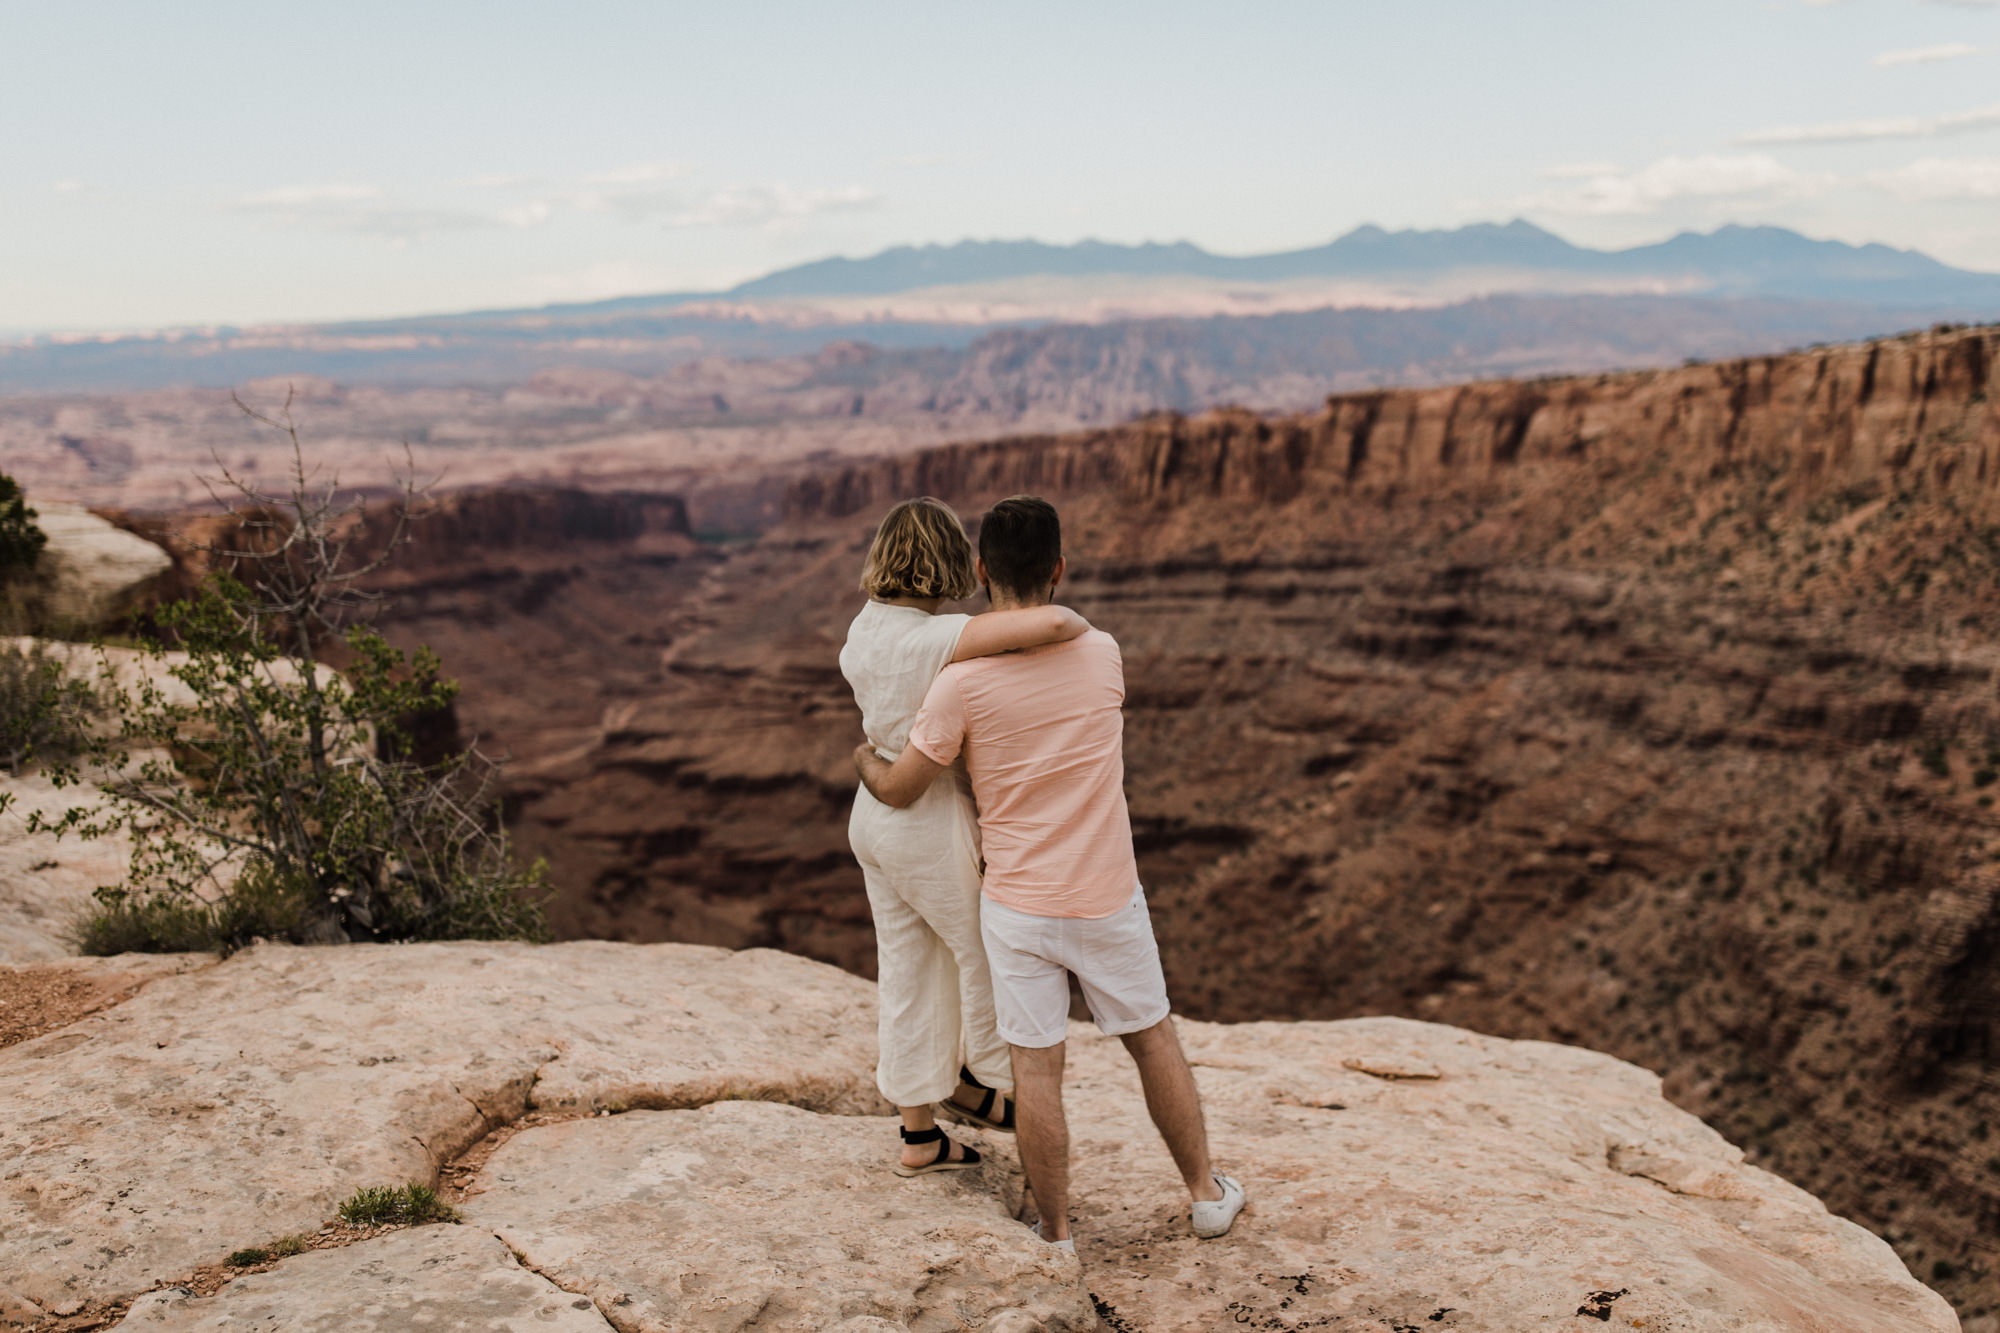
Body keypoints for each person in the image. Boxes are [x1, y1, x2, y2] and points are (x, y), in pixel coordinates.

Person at [853, 494, 1245, 1250]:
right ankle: (1204, 1195)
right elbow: (1058, 645)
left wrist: (864, 757)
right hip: (1104, 898)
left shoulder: (958, 685)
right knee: (1152, 1040)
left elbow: (902, 786)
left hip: (1017, 906)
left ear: (979, 572)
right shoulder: (1103, 652)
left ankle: (1055, 1230)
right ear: (1060, 567)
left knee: (1036, 1074)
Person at [840, 496, 1094, 1178]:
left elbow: (876, 744)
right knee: (986, 954)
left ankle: (920, 1134)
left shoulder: (864, 627)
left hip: (874, 820)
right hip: (928, 823)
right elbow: (1053, 622)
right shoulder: (936, 638)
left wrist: (865, 758)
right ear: (953, 560)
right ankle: (987, 1083)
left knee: (908, 966)